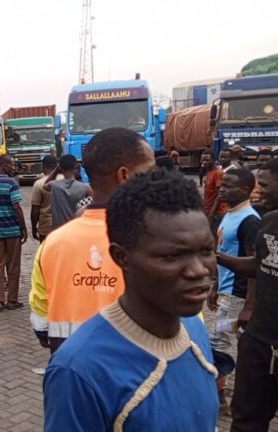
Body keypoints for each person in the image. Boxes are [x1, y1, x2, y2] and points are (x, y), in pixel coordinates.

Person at [43, 168, 219, 431]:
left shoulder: (194, 329)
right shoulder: (78, 370)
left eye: (206, 250)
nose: (199, 270)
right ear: (121, 257)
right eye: (172, 256)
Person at [29, 128, 156, 353]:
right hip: (137, 373)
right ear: (124, 175)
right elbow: (186, 322)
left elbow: (40, 315)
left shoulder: (52, 244)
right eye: (149, 171)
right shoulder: (155, 239)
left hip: (71, 373)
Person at [217, 159, 278, 430]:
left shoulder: (252, 219)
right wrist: (216, 257)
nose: (258, 190)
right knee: (245, 417)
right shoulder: (269, 222)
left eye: (264, 184)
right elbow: (259, 265)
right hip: (259, 341)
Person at [206, 168, 259, 413]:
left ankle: (220, 398)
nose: (222, 188)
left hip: (238, 296)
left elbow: (254, 266)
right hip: (226, 292)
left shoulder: (250, 221)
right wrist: (215, 286)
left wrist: (249, 304)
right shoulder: (228, 214)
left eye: (229, 186)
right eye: (222, 184)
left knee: (220, 340)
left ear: (246, 190)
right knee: (222, 340)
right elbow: (223, 255)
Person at [0, 154, 27, 312]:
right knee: (13, 266)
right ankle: (12, 300)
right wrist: (24, 228)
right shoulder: (11, 183)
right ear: (4, 165)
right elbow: (16, 207)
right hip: (12, 230)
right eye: (12, 165)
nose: (14, 168)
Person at [46, 154, 92, 229]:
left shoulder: (54, 185)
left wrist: (56, 170)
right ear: (76, 167)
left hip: (58, 233)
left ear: (60, 168)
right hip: (77, 231)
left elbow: (45, 185)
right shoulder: (86, 188)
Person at [30, 155, 61, 242]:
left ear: (43, 167)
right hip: (63, 225)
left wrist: (33, 227)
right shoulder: (65, 181)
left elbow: (35, 210)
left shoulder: (38, 184)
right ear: (57, 166)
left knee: (45, 253)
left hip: (46, 226)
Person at [202, 150, 228, 220]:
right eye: (203, 160)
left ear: (213, 160)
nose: (204, 162)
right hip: (210, 210)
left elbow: (220, 195)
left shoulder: (218, 173)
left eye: (207, 160)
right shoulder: (209, 172)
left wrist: (212, 213)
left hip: (218, 212)